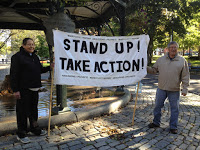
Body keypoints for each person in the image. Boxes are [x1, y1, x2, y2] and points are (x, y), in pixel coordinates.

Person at [10, 38, 53, 143]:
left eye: (33, 44)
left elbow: (40, 69)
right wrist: (15, 90)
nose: (32, 46)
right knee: (22, 112)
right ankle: (21, 133)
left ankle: (34, 129)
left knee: (33, 110)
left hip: (35, 88)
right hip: (23, 89)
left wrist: (49, 67)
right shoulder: (17, 57)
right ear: (23, 45)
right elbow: (14, 74)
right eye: (29, 44)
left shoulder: (35, 57)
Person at [147, 41, 190, 134]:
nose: (173, 49)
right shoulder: (161, 60)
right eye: (171, 47)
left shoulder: (182, 61)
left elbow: (185, 76)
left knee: (175, 109)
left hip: (174, 89)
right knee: (157, 106)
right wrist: (145, 67)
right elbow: (154, 70)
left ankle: (173, 127)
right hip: (161, 88)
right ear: (168, 49)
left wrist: (185, 88)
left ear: (177, 49)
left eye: (175, 47)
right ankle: (156, 122)